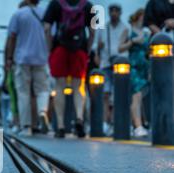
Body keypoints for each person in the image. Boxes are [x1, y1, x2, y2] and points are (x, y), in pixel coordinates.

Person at [43, 0, 95, 138]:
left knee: (59, 86)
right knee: (78, 86)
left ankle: (60, 126)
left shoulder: (55, 4)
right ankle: (79, 118)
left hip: (59, 48)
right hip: (79, 49)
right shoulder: (88, 5)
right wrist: (87, 50)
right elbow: (93, 31)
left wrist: (50, 49)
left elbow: (47, 28)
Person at [6, 0, 51, 137]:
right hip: (41, 57)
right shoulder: (45, 13)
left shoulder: (18, 14)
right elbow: (51, 34)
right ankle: (42, 111)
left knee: (23, 92)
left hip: (22, 58)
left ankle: (26, 127)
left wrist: (9, 58)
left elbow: (12, 37)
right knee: (43, 89)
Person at [95, 4, 128, 136]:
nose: (114, 13)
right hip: (105, 63)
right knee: (105, 95)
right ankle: (104, 123)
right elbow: (96, 47)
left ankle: (115, 122)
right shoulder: (103, 28)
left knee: (118, 96)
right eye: (111, 11)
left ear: (120, 13)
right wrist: (97, 53)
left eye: (116, 11)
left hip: (120, 64)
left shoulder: (125, 27)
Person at [119, 9, 150, 138]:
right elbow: (120, 48)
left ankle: (142, 123)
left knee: (142, 96)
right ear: (138, 16)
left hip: (145, 67)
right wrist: (133, 42)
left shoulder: (147, 32)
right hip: (133, 66)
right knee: (135, 95)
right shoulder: (128, 30)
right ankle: (137, 126)